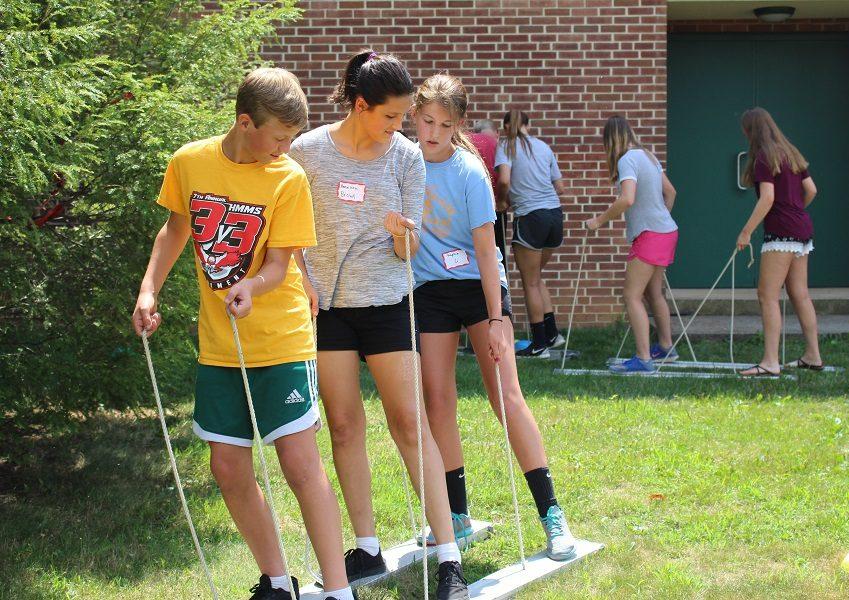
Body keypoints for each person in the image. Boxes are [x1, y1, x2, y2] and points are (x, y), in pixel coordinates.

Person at [131, 68, 352, 600]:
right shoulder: (189, 162)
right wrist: (148, 289)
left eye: (292, 139)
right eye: (278, 137)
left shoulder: (287, 178)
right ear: (244, 122)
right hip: (220, 344)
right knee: (228, 467)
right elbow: (176, 228)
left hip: (282, 340)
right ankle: (277, 583)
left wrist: (251, 287)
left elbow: (281, 265)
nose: (285, 148)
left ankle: (341, 590)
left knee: (300, 465)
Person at [288, 50, 468, 599]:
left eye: (403, 117)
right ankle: (366, 547)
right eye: (390, 116)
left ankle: (447, 554)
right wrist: (304, 282)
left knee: (409, 424)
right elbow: (288, 229)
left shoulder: (406, 158)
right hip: (329, 312)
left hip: (389, 304)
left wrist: (400, 233)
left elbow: (411, 247)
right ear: (360, 106)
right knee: (343, 427)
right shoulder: (307, 152)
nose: (399, 128)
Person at [411, 73, 577, 561]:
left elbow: (487, 251)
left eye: (444, 123)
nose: (434, 132)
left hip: (479, 290)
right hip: (430, 292)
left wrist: (501, 318)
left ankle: (552, 515)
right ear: (414, 118)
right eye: (426, 121)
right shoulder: (403, 164)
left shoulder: (468, 172)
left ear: (459, 124)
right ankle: (457, 516)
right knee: (437, 402)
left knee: (505, 396)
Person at [585, 115, 678, 373]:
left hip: (651, 234)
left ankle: (643, 358)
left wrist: (599, 221)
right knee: (653, 293)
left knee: (632, 295)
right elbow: (671, 192)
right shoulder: (648, 155)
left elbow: (627, 199)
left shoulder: (627, 159)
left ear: (610, 141)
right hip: (667, 230)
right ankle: (666, 348)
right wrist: (661, 217)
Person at [736, 107, 823, 376]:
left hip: (781, 233)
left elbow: (768, 198)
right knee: (800, 294)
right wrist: (795, 210)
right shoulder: (791, 152)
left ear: (750, 131)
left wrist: (746, 231)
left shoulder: (764, 157)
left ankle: (770, 362)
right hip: (802, 229)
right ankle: (813, 356)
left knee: (767, 295)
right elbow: (811, 190)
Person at [495, 110, 567, 358]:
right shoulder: (544, 147)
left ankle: (539, 345)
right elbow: (560, 186)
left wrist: (502, 201)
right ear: (528, 124)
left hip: (531, 216)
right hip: (555, 215)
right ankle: (552, 335)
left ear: (505, 128)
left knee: (531, 282)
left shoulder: (506, 145)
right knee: (536, 277)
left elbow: (503, 180)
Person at [470, 119, 508, 271]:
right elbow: (505, 180)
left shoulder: (466, 141)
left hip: (470, 207)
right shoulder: (497, 145)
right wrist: (502, 200)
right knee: (497, 253)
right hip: (494, 207)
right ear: (497, 133)